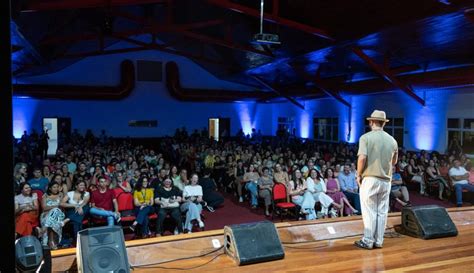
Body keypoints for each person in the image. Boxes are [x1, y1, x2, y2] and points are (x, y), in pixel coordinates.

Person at [354, 110, 398, 250]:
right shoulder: (392, 140)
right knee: (382, 211)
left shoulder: (365, 138)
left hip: (370, 179)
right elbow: (394, 161)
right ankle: (379, 241)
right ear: (384, 123)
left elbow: (362, 158)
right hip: (386, 180)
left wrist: (358, 174)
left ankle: (368, 240)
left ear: (371, 122)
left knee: (369, 211)